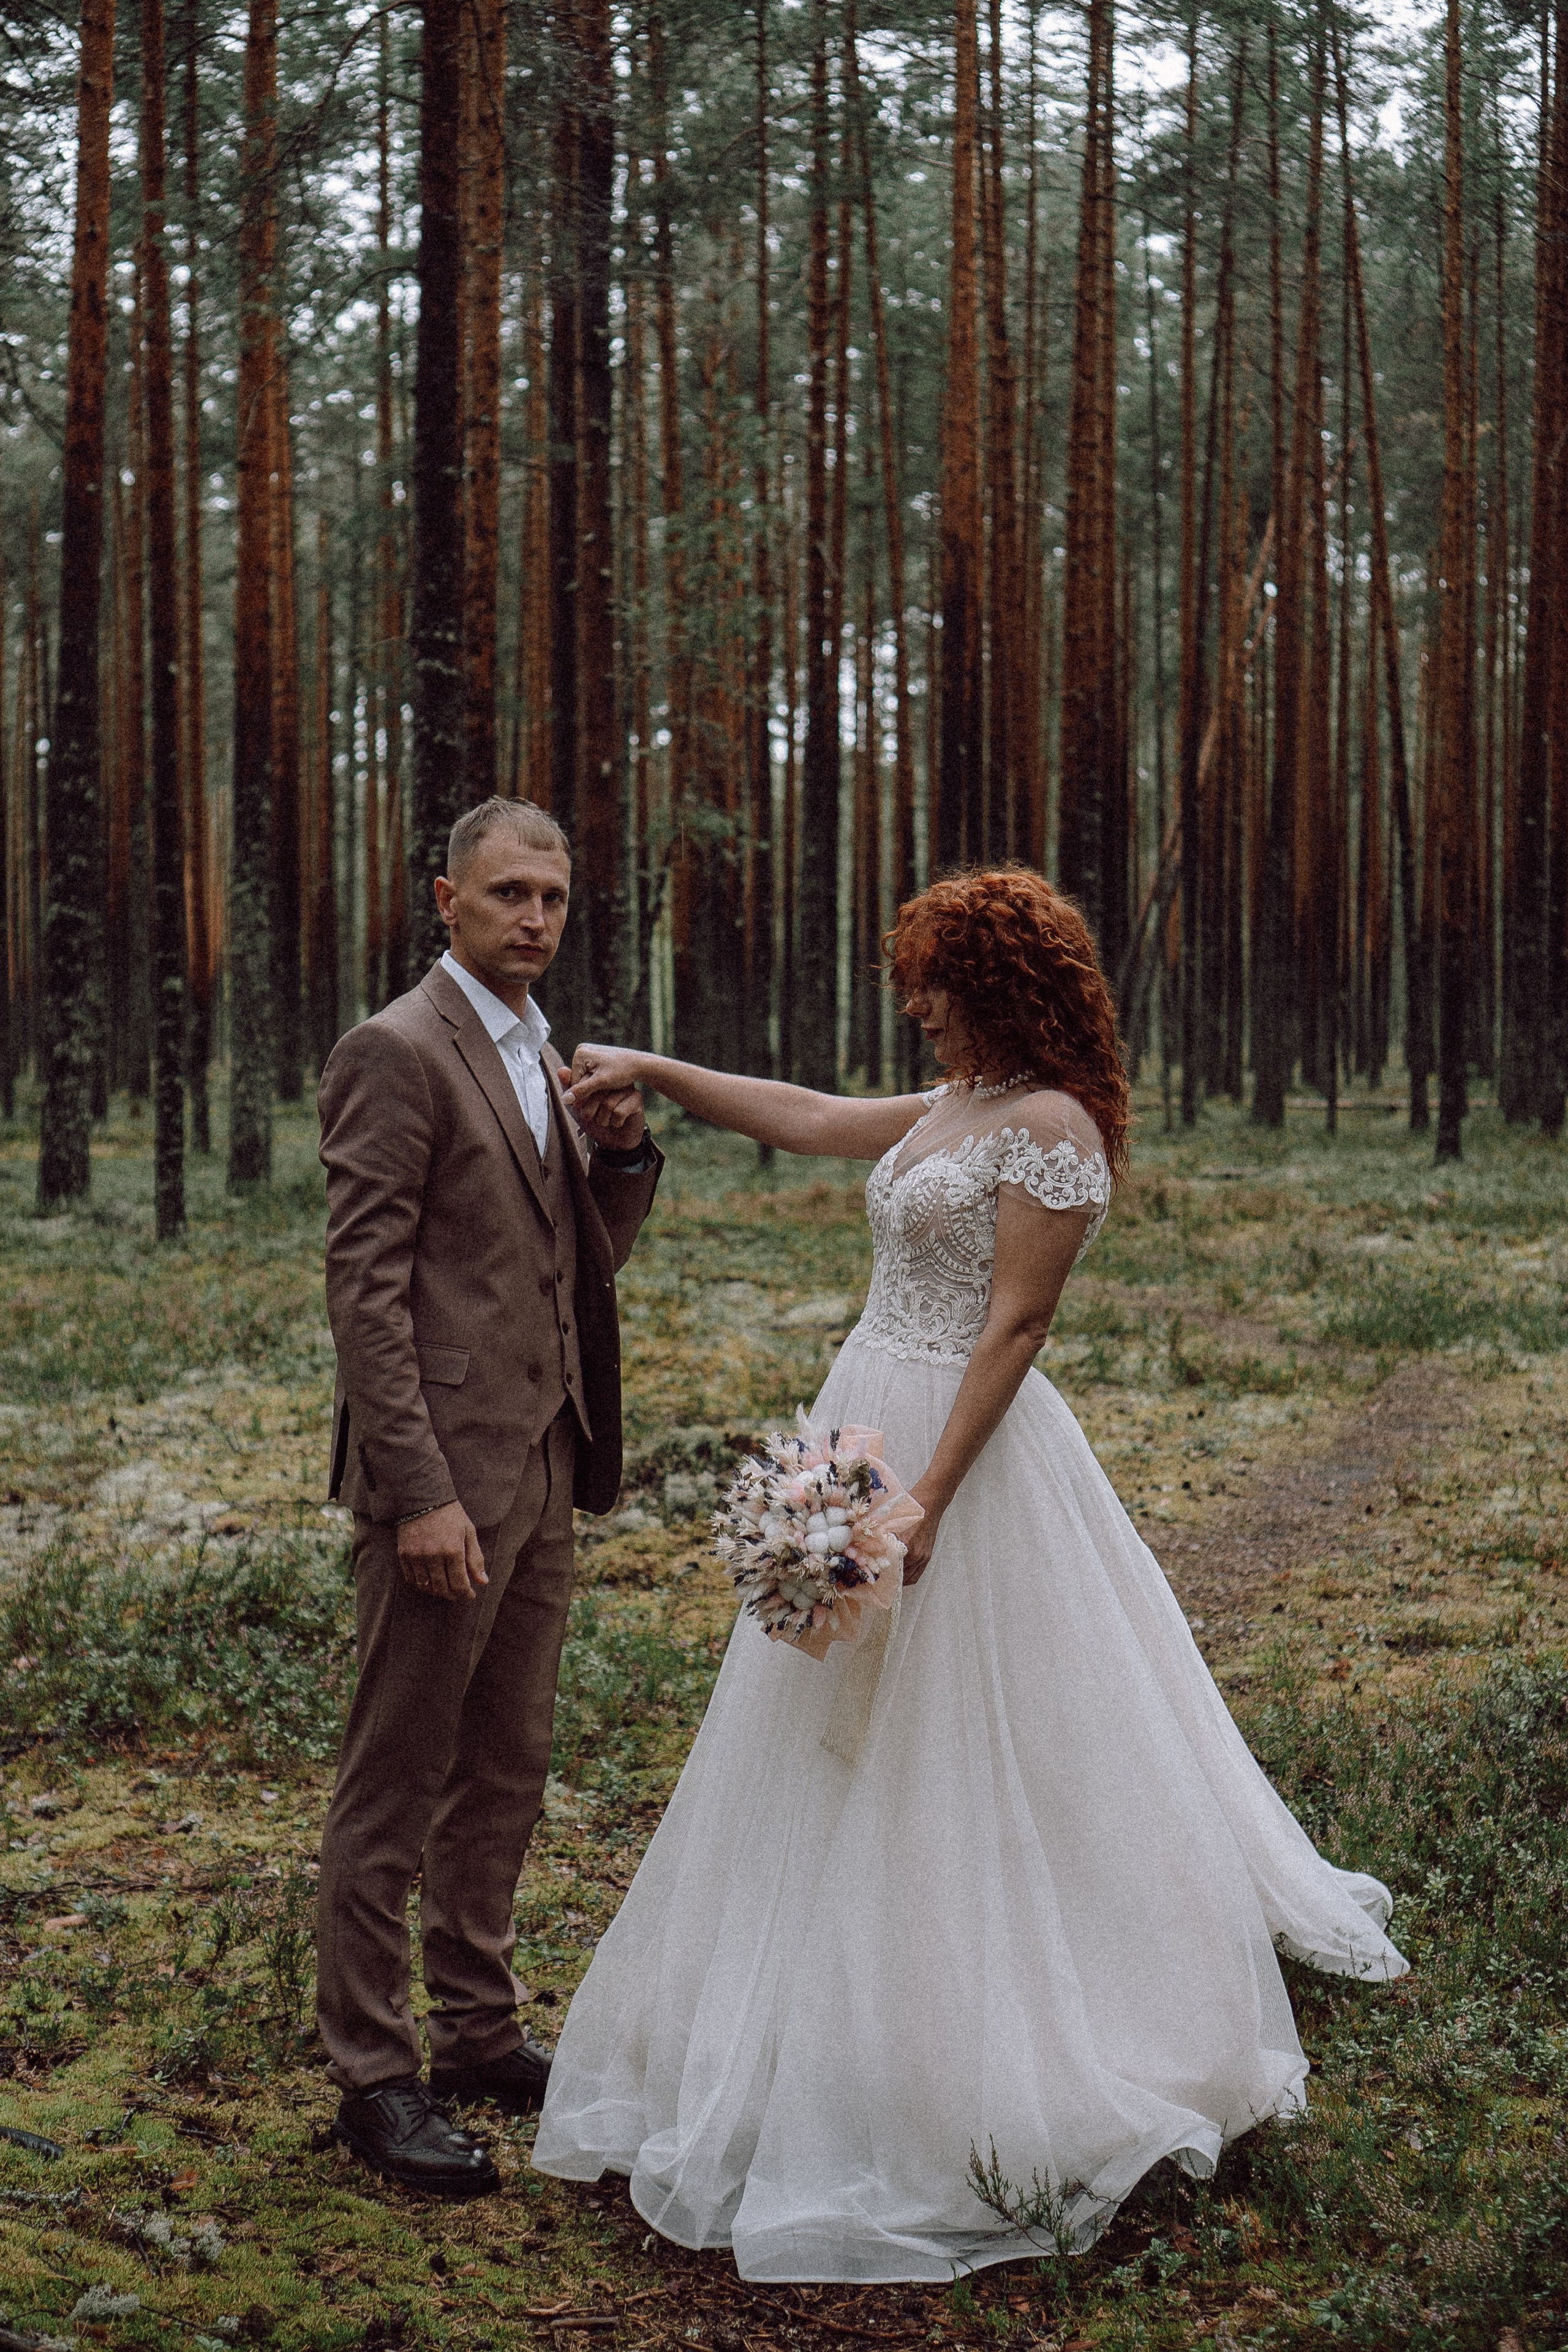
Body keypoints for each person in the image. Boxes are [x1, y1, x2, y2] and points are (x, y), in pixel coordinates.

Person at [534, 865, 1407, 2282]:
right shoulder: (954, 1104)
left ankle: (999, 2022)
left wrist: (929, 1495)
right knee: (813, 1710)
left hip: (962, 1450)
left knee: (979, 1724)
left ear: (997, 985)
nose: (917, 1007)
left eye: (934, 984)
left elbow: (1015, 1326)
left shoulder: (1052, 1128)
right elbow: (808, 1116)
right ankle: (817, 2004)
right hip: (859, 1416)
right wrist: (661, 1072)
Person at [315, 796, 661, 2199]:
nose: (534, 917)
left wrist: (618, 1156)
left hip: (544, 1464)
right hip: (444, 1483)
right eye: (508, 892)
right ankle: (372, 2075)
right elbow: (366, 1292)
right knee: (395, 1774)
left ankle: (474, 2028)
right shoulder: (397, 1050)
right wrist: (417, 1493)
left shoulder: (539, 1054)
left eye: (553, 897)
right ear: (444, 899)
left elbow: (573, 1261)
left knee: (506, 1768)